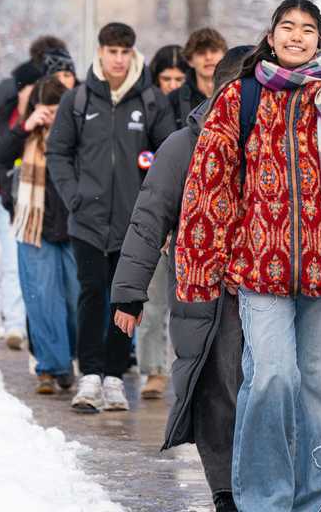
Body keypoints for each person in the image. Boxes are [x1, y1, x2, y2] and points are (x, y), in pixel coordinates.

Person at [174, 0, 321, 511]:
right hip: (259, 270)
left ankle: (310, 500)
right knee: (272, 377)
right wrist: (207, 260)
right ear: (270, 37)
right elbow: (211, 183)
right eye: (287, 27)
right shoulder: (241, 98)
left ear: (320, 39)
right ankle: (264, 500)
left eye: (308, 29)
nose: (297, 36)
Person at [112, 46, 252, 512]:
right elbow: (149, 218)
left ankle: (262, 479)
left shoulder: (275, 142)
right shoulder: (185, 143)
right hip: (206, 291)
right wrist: (130, 294)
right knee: (218, 384)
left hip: (267, 286)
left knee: (266, 387)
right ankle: (226, 491)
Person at [47, 22, 176, 413]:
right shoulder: (78, 100)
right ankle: (89, 373)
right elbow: (58, 152)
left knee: (127, 298)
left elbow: (169, 154)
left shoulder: (150, 101)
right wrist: (74, 197)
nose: (118, 59)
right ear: (100, 52)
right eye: (111, 51)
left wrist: (153, 208)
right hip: (86, 220)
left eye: (124, 52)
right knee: (90, 294)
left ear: (132, 54)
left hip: (135, 224)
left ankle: (116, 376)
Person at [0, 35, 66, 348]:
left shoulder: (55, 96)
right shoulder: (7, 95)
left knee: (16, 262)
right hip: (0, 190)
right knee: (2, 259)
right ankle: (4, 320)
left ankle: (15, 322)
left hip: (34, 196)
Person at [0, 76, 78, 395]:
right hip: (33, 224)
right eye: (47, 111)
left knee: (73, 300)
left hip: (72, 226)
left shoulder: (78, 135)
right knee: (42, 300)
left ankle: (67, 358)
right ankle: (50, 367)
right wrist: (25, 125)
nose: (52, 118)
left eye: (57, 111)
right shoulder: (24, 134)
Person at [128, 44, 192, 399]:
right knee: (151, 300)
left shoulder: (194, 111)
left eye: (177, 78)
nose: (171, 84)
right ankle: (152, 369)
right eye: (165, 78)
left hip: (189, 217)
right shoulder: (145, 110)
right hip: (153, 214)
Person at [168, 28, 227, 128]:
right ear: (190, 60)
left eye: (214, 51)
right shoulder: (174, 99)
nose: (208, 57)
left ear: (224, 55)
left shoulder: (236, 95)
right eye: (201, 53)